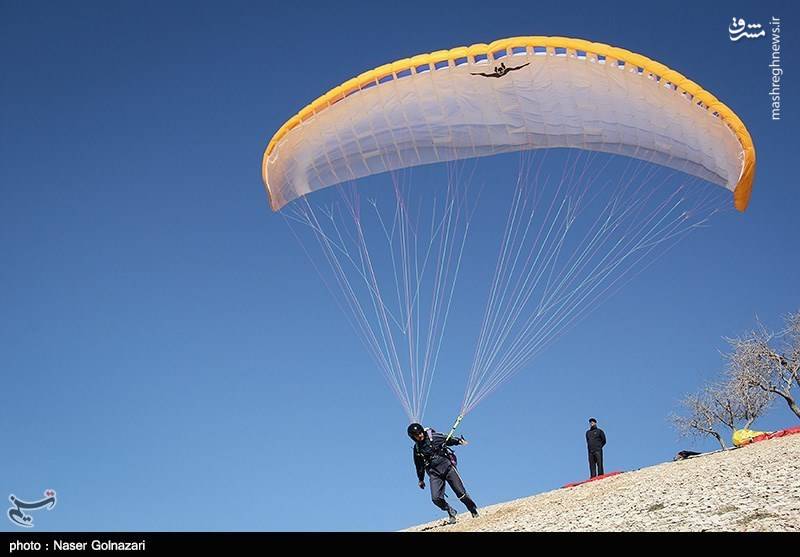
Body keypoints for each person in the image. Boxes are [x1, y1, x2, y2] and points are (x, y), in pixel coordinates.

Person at [407, 422, 479, 524]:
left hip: (447, 468)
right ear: (413, 437)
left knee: (461, 493)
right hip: (434, 473)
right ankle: (450, 511)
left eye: (420, 433)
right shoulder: (417, 449)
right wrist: (421, 479)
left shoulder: (434, 437)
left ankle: (472, 509)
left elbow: (447, 439)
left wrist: (459, 441)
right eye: (417, 435)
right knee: (436, 498)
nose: (420, 435)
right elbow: (419, 466)